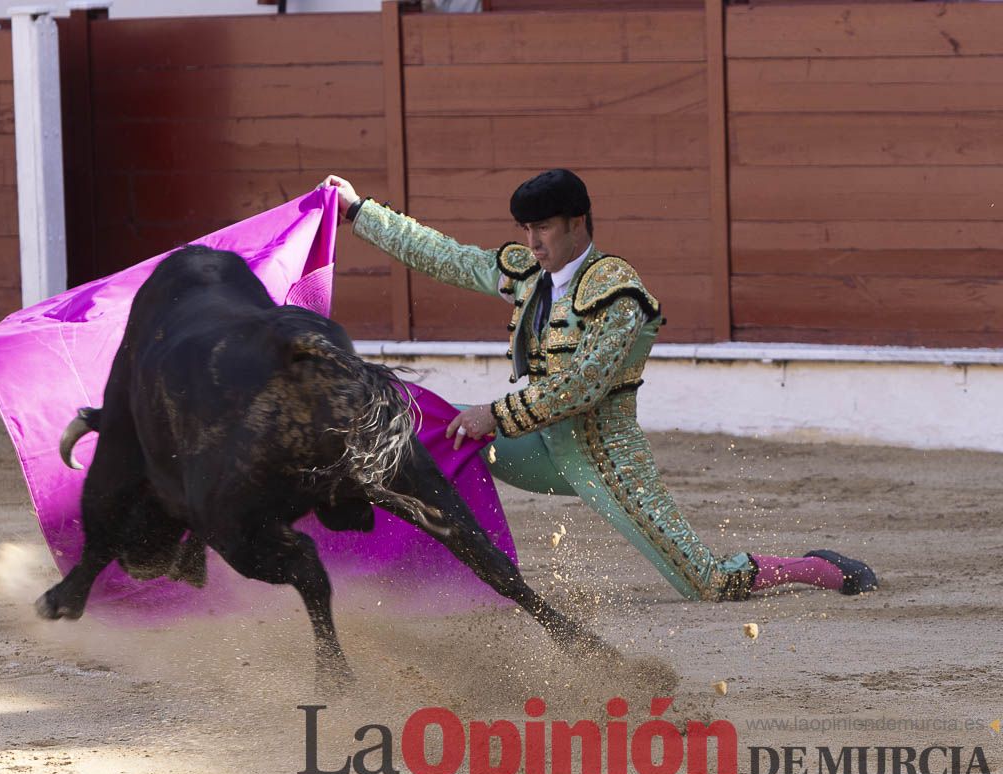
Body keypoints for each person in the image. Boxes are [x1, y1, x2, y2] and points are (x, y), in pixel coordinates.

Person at [319, 170, 878, 602]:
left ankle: (813, 568)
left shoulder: (619, 294)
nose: (533, 242)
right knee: (408, 433)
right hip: (535, 445)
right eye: (527, 230)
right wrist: (359, 212)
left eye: (543, 229)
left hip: (604, 457)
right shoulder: (530, 273)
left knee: (706, 583)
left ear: (578, 223)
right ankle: (393, 570)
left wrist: (494, 413)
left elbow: (582, 386)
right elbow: (449, 257)